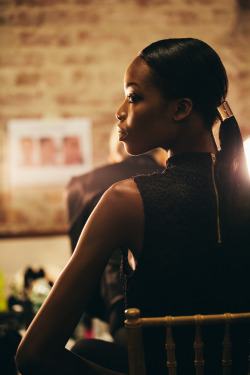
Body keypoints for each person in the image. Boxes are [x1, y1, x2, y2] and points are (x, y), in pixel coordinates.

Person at [16, 38, 250, 375]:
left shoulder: (125, 201)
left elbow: (32, 356)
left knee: (84, 348)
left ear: (181, 108)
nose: (120, 111)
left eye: (133, 96)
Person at [66, 127, 166, 366]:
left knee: (81, 351)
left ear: (114, 154)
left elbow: (81, 272)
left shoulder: (83, 185)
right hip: (192, 325)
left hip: (122, 310)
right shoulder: (177, 178)